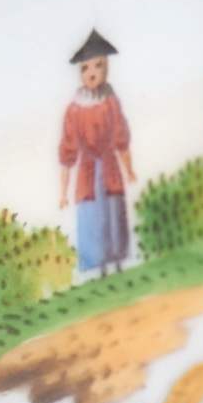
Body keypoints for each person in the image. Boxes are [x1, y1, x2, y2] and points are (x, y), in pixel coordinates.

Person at [58, 32, 135, 276]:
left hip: (110, 169)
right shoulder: (74, 110)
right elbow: (67, 151)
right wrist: (63, 192)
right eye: (85, 68)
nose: (91, 72)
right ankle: (99, 267)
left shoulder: (110, 102)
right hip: (88, 173)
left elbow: (121, 138)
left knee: (113, 214)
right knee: (93, 218)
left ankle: (118, 262)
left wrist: (129, 170)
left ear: (106, 68)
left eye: (98, 65)